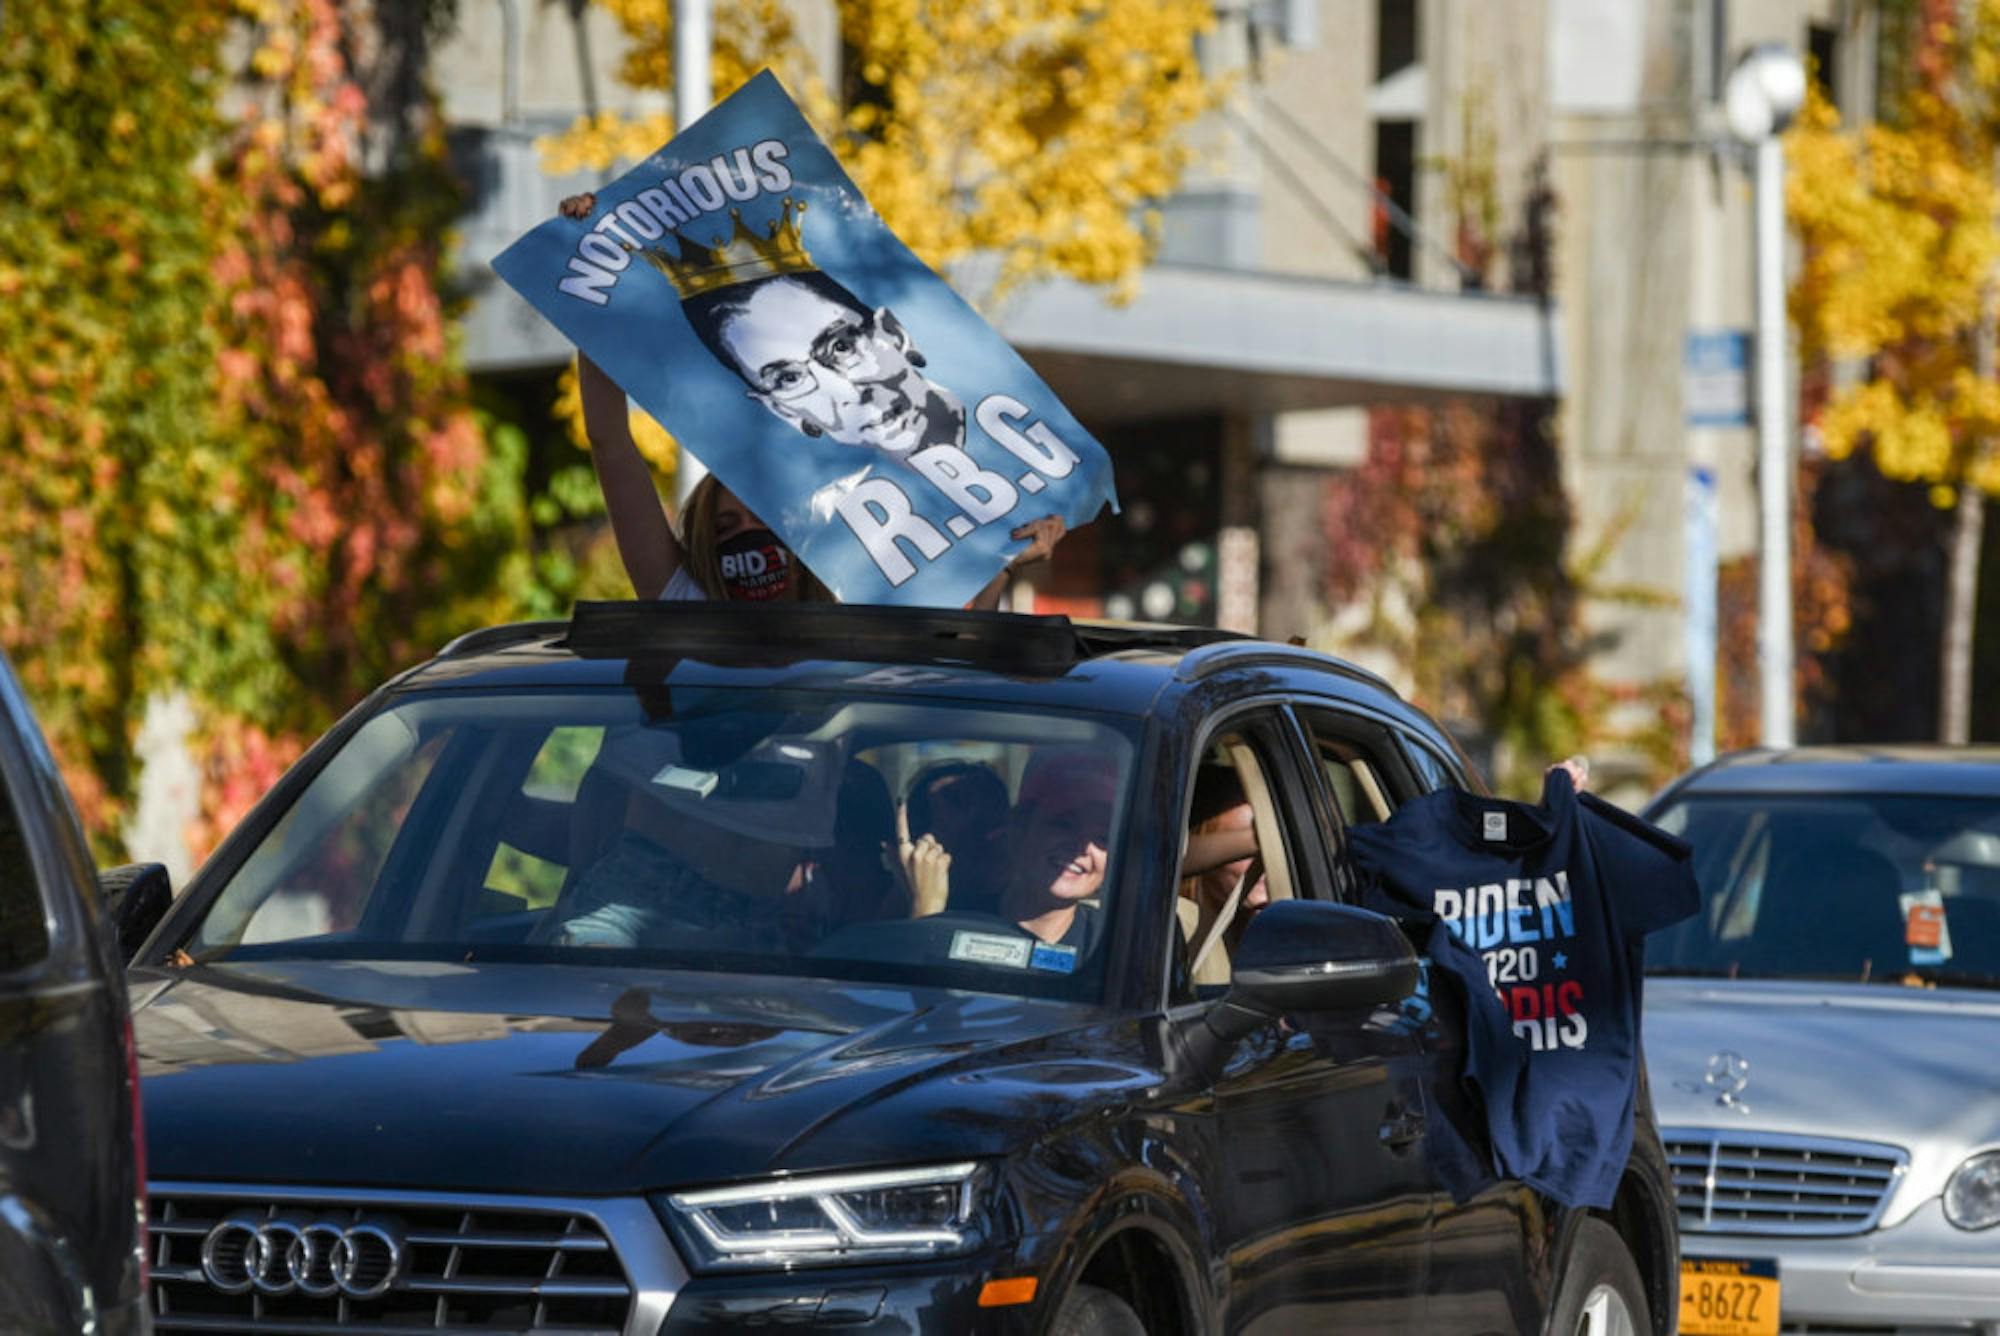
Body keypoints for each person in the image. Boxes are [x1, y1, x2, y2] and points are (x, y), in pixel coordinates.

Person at [559, 192, 1062, 609]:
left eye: (765, 519)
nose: (747, 540)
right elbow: (610, 442)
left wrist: (998, 557)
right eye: (727, 527)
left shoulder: (855, 602)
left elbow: (960, 642)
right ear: (779, 407)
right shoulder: (685, 603)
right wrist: (592, 276)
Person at [900, 752, 1118, 950]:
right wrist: (925, 916)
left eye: (1102, 838)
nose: (1081, 847)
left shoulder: (1114, 946)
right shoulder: (955, 919)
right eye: (1063, 825)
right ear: (1018, 828)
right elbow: (911, 990)